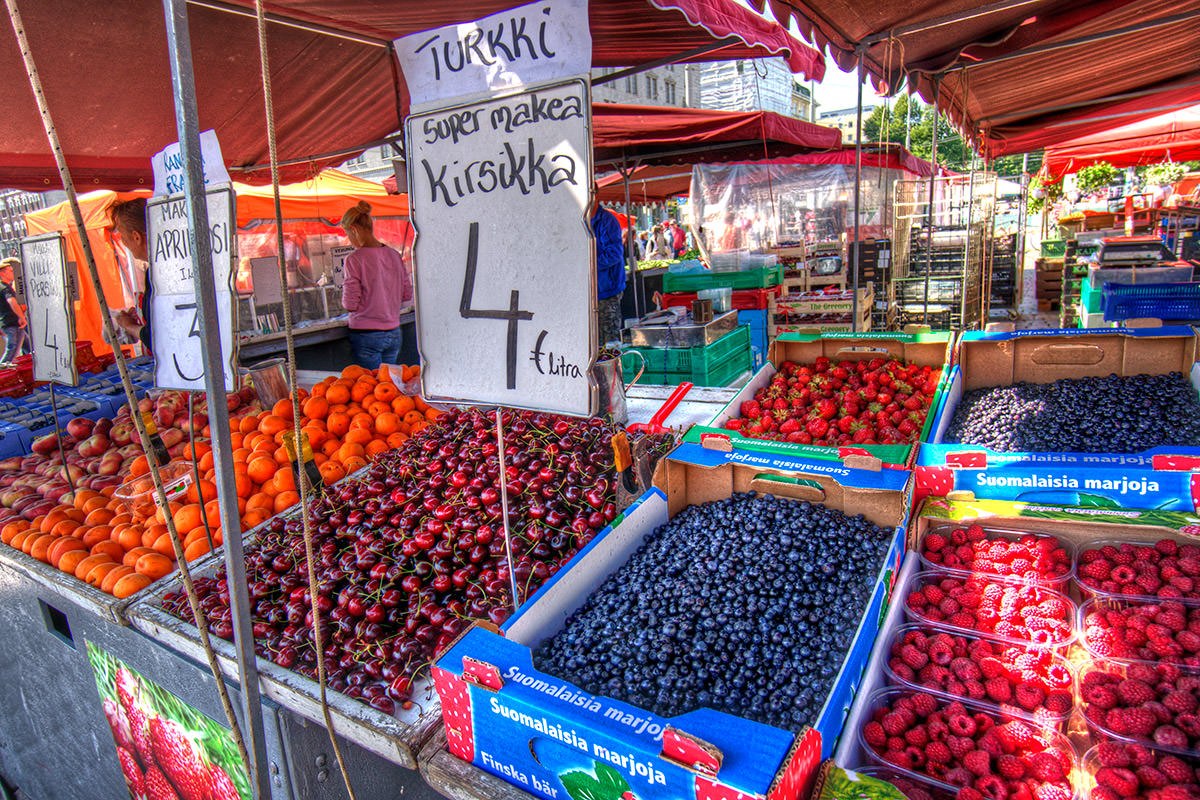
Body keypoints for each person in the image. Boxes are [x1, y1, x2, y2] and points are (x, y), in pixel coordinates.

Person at [340, 200, 412, 369]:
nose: (349, 240)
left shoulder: (354, 259)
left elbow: (350, 304)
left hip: (366, 334)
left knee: (370, 389)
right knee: (388, 386)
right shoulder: (394, 255)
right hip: (394, 331)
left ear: (354, 230)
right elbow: (406, 294)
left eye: (348, 235)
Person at [109, 198, 153, 352]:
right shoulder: (156, 270)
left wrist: (128, 326)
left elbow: (155, 337)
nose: (123, 241)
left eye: (122, 234)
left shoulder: (156, 275)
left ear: (136, 237)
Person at [590, 187, 625, 346]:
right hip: (589, 293)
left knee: (610, 343)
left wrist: (589, 265)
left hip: (607, 291)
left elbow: (614, 254)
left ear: (595, 195)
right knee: (593, 343)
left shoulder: (607, 220)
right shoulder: (580, 220)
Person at [0, 258, 28, 362]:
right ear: (3, 273)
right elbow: (12, 302)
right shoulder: (4, 288)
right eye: (10, 271)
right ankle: (3, 371)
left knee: (28, 348)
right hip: (11, 323)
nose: (13, 273)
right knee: (12, 351)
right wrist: (21, 317)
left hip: (13, 323)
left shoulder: (7, 287)